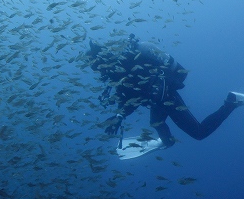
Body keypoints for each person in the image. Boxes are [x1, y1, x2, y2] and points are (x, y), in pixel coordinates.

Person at [87, 34, 243, 148]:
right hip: (156, 100)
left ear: (102, 61)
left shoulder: (126, 64)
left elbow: (135, 93)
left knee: (199, 133)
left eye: (97, 68)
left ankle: (231, 102)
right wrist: (119, 116)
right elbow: (130, 97)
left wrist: (122, 113)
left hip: (166, 96)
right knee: (156, 123)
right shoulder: (119, 71)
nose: (99, 73)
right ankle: (166, 141)